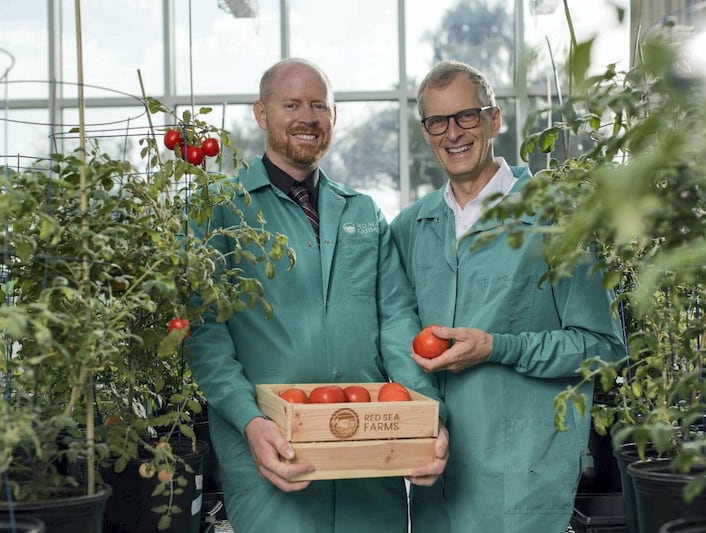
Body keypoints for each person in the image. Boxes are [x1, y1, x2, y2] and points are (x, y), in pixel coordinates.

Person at [186, 57, 449, 533]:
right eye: (291, 104)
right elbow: (206, 335)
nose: (307, 117)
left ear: (333, 117)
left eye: (319, 105)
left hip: (370, 451)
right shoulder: (222, 209)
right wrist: (249, 420)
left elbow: (396, 322)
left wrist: (425, 414)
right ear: (261, 114)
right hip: (272, 450)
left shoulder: (363, 210)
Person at [390, 60, 626, 533]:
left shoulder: (558, 217)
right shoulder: (411, 226)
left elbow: (604, 348)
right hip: (436, 475)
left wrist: (499, 347)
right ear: (425, 131)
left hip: (524, 477)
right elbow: (395, 331)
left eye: (467, 116)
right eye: (438, 121)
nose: (453, 133)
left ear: (494, 119)